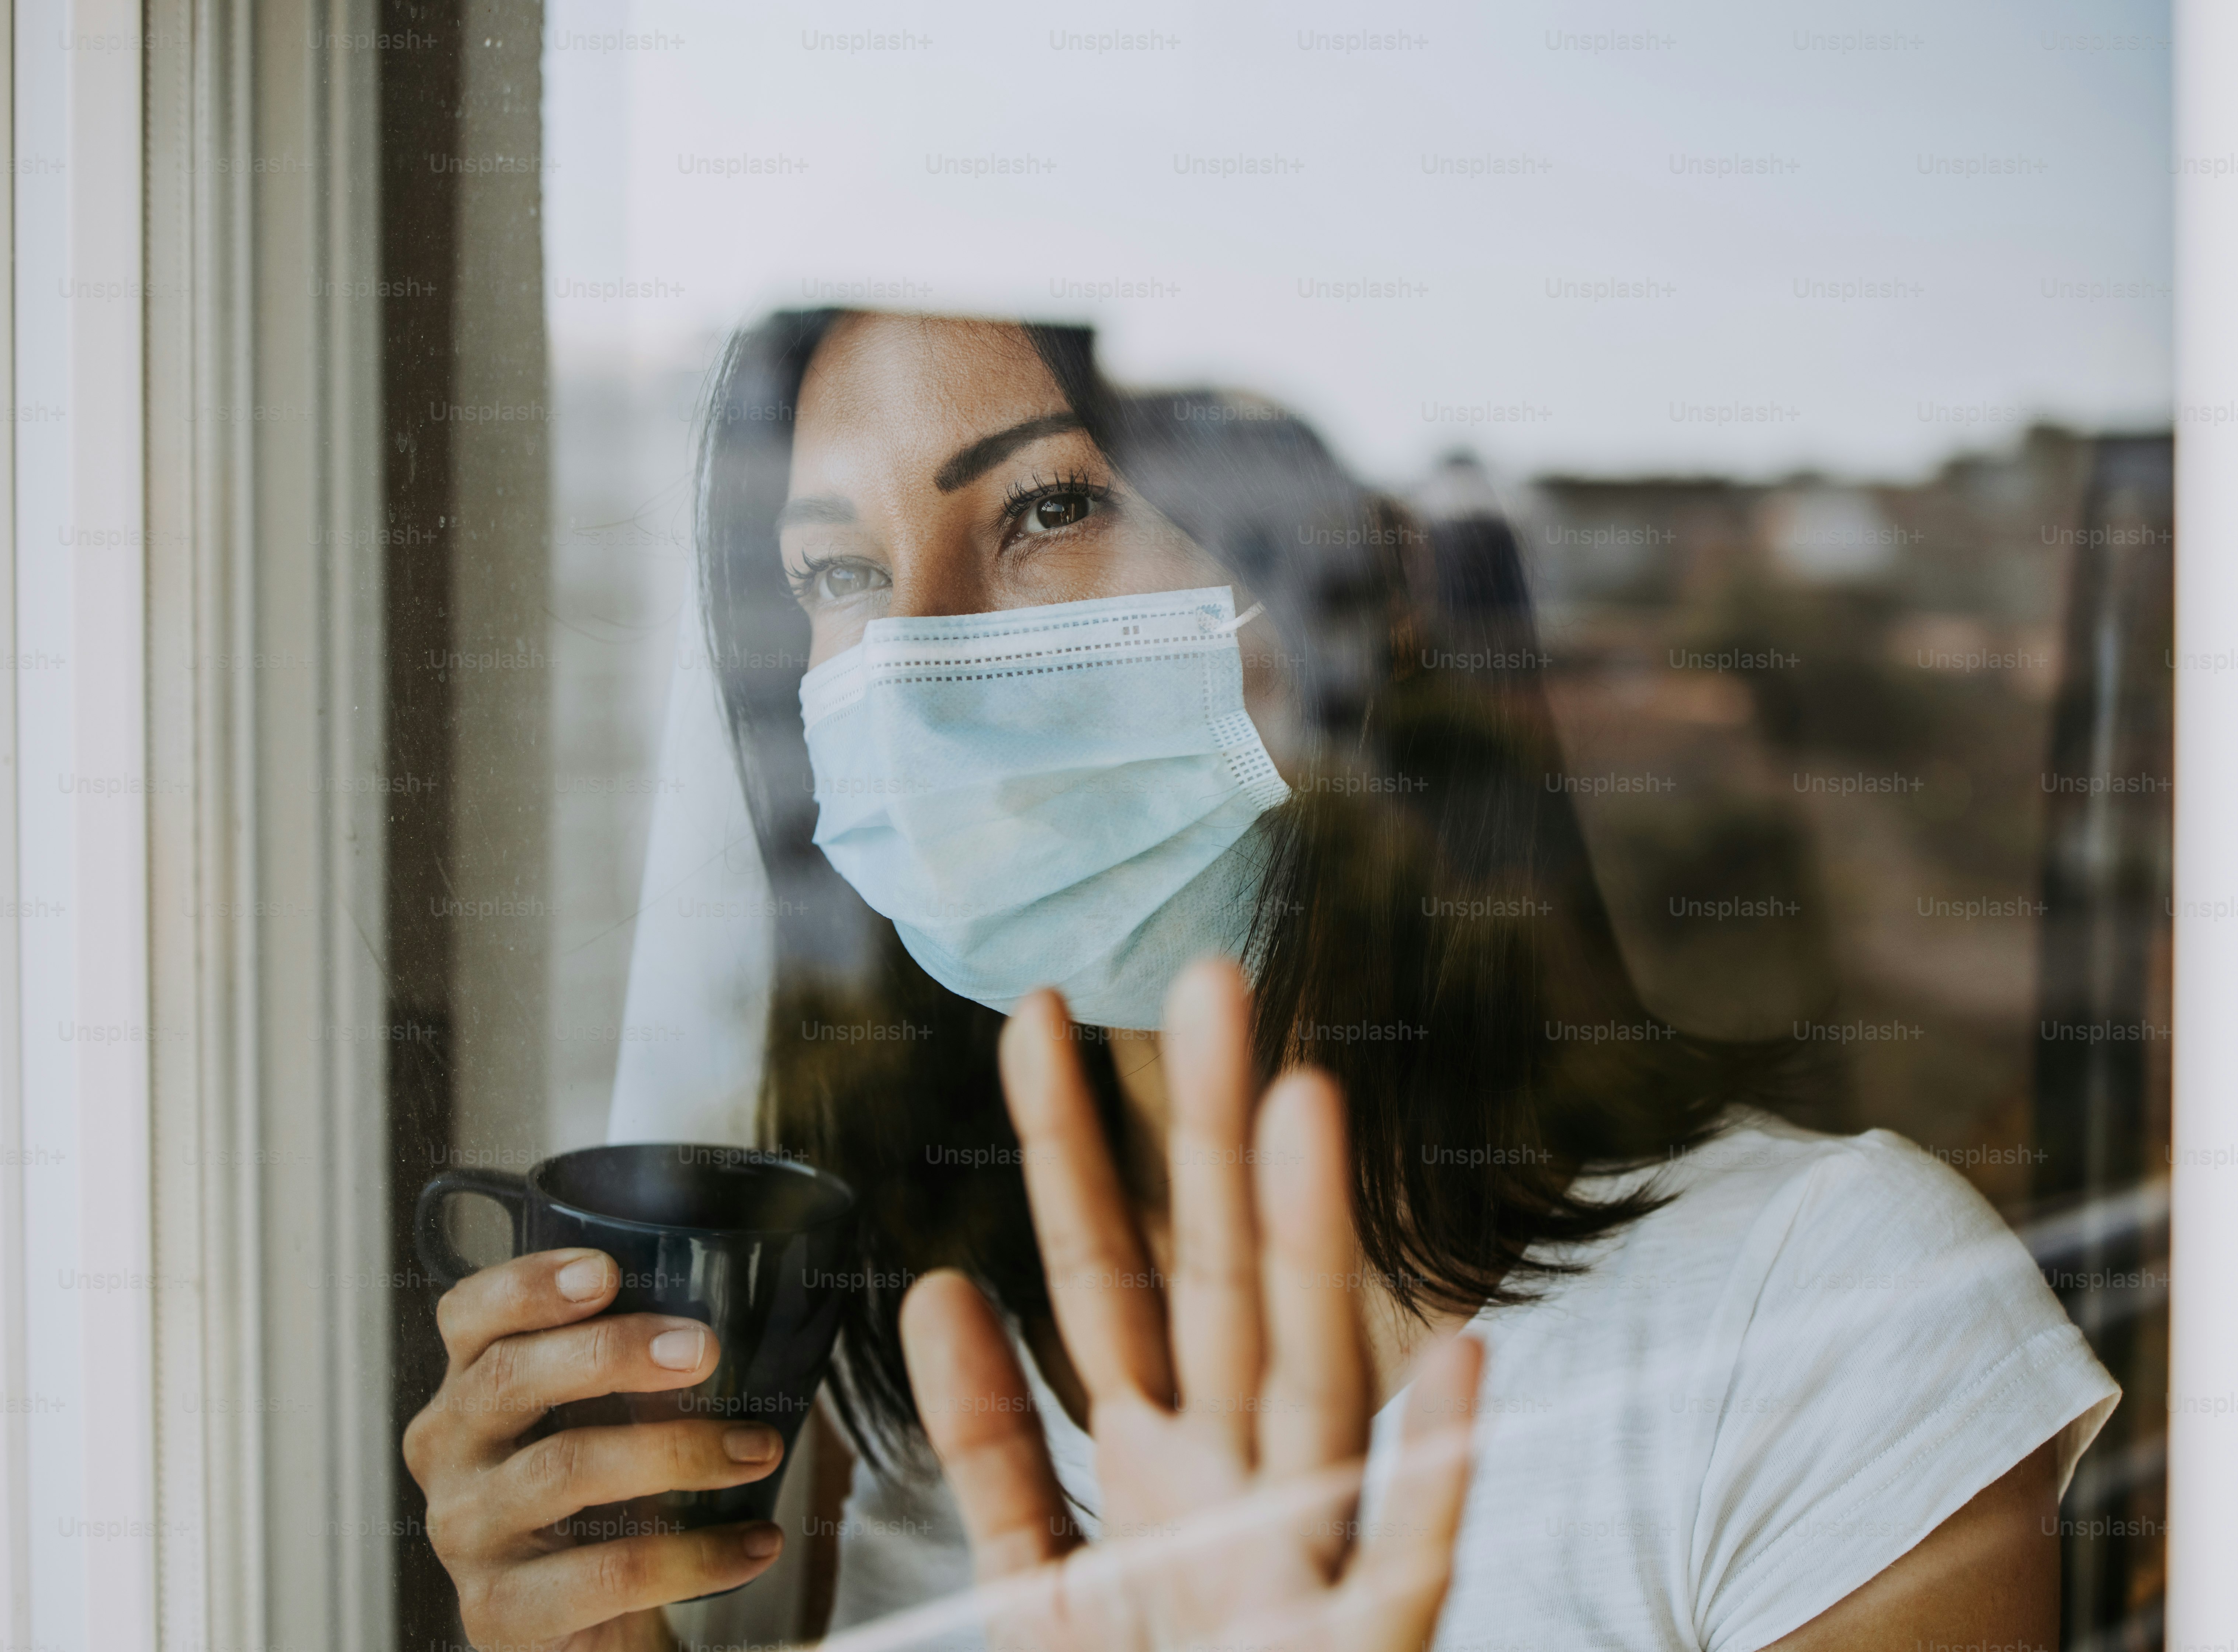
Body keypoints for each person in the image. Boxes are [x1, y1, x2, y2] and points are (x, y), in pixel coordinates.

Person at [403, 310, 2119, 1652]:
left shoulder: (1835, 1323)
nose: (919, 645)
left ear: (1354, 616)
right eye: (841, 572)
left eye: (1052, 508)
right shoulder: (860, 1351)